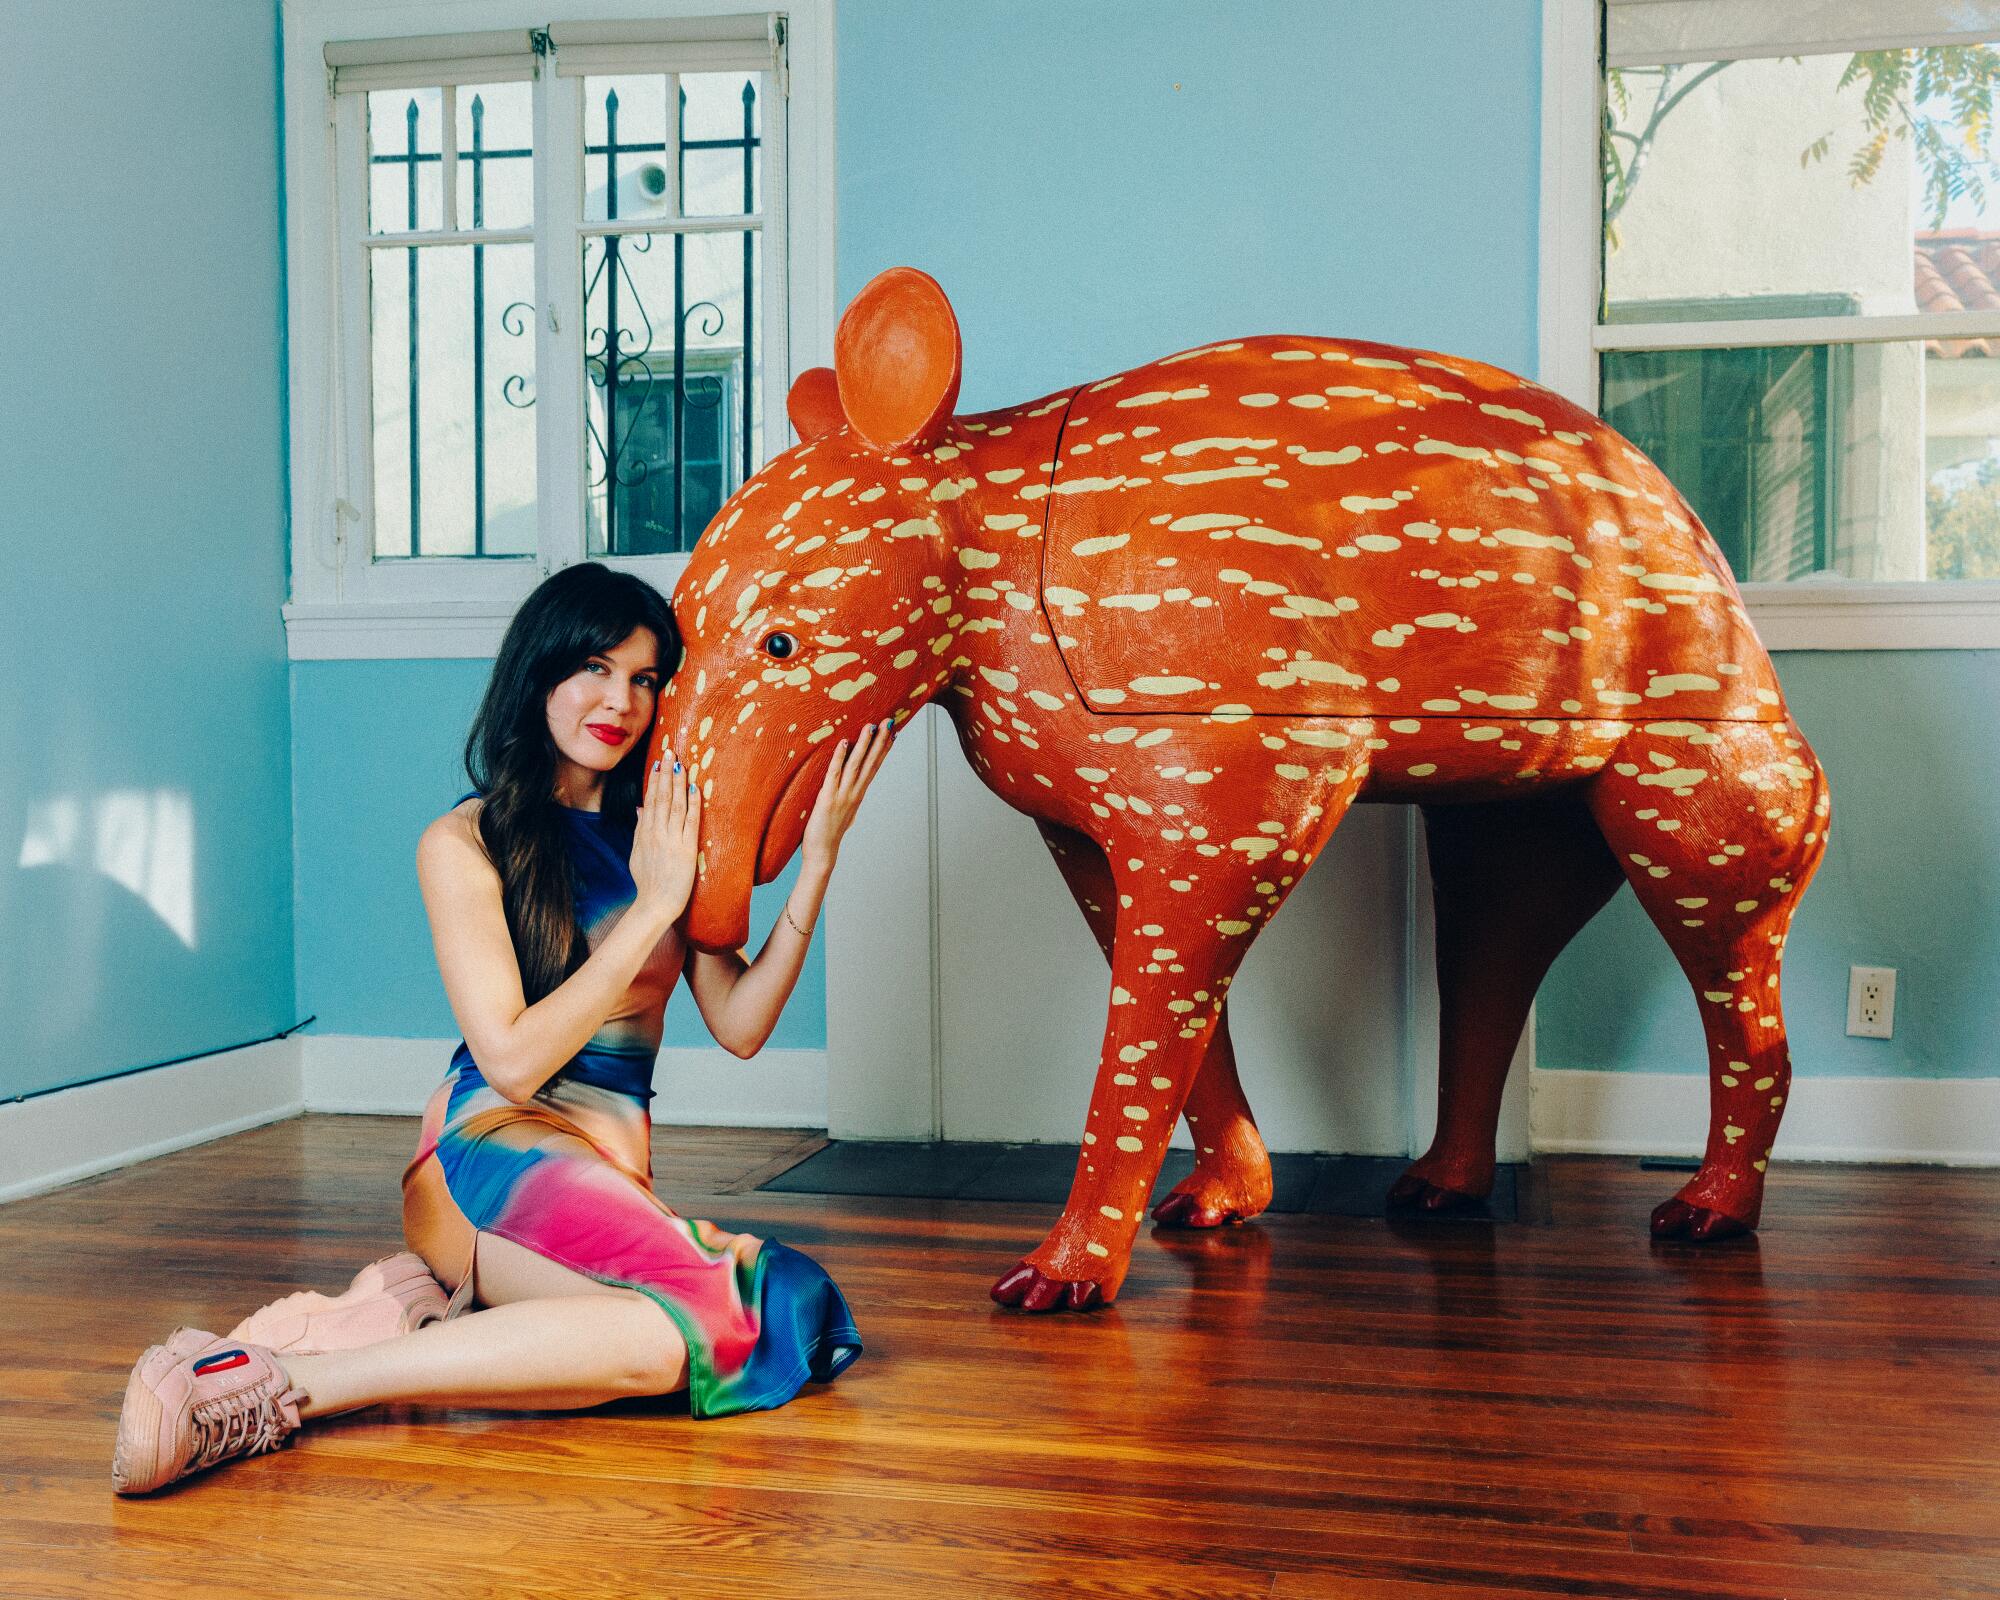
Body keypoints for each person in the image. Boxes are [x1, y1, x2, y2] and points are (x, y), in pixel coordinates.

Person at [113, 563, 891, 1494]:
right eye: (596, 669)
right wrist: (651, 910)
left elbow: (740, 1024)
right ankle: (288, 1388)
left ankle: (417, 1320)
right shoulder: (466, 842)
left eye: (646, 678)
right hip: (489, 1155)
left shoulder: (668, 832)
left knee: (773, 1308)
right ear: (540, 674)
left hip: (607, 1175)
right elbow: (514, 1063)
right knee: (688, 1332)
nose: (622, 701)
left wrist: (818, 863)